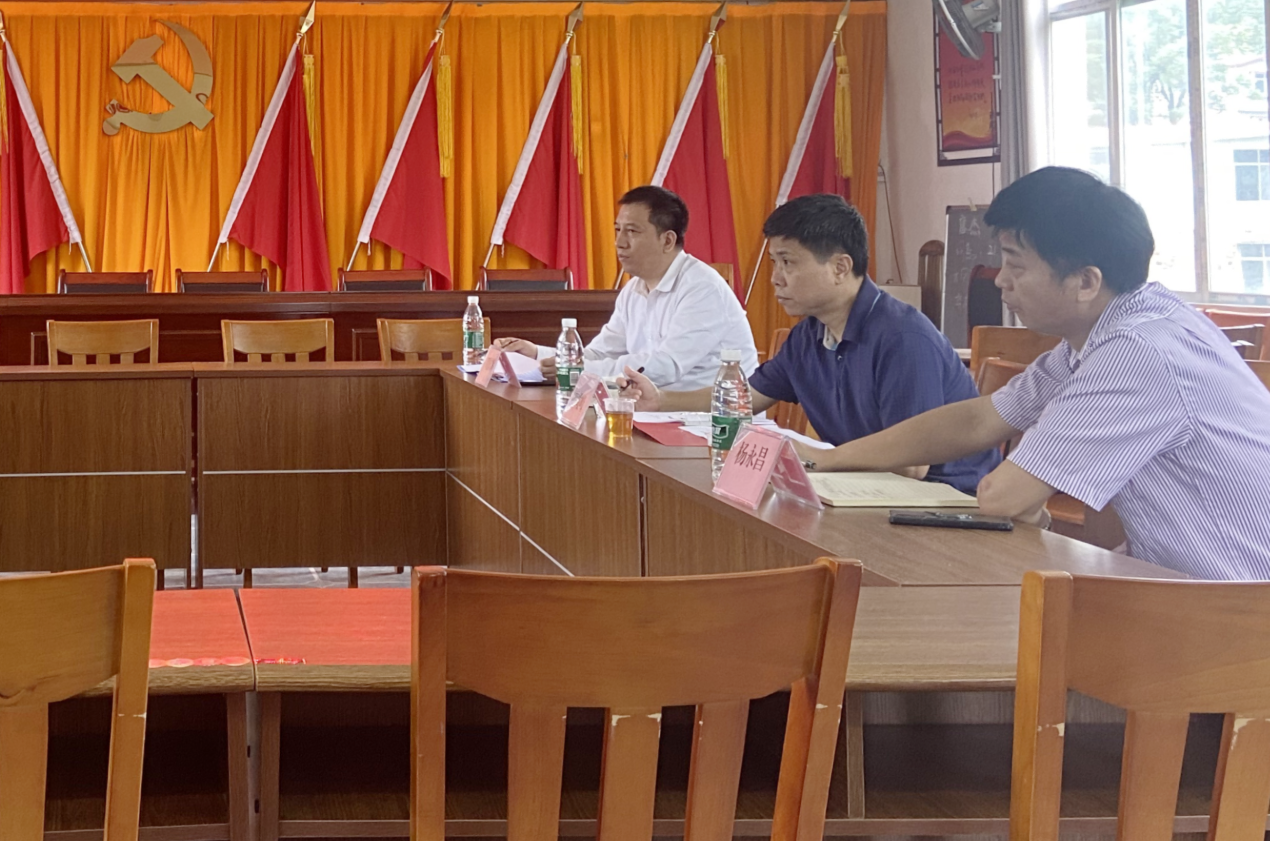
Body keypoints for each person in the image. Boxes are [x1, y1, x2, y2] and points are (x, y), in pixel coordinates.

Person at [810, 167, 1270, 579]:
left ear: (1086, 281)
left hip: (1238, 609)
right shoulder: (1106, 333)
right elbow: (979, 420)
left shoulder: (1137, 351)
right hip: (1185, 587)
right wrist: (826, 460)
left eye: (1016, 264)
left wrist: (1028, 506)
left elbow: (1004, 498)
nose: (1000, 279)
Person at [624, 193, 996, 491]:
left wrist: (821, 459)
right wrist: (662, 399)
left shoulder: (903, 338)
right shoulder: (809, 335)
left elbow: (911, 465)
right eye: (774, 263)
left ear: (839, 267)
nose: (776, 278)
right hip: (870, 490)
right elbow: (744, 396)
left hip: (947, 502)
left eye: (788, 262)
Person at [499, 185, 756, 391]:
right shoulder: (633, 289)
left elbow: (665, 367)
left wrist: (579, 370)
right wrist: (537, 353)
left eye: (632, 231)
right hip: (657, 412)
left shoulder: (702, 288)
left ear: (668, 240)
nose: (619, 242)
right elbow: (599, 353)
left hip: (712, 422)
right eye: (617, 230)